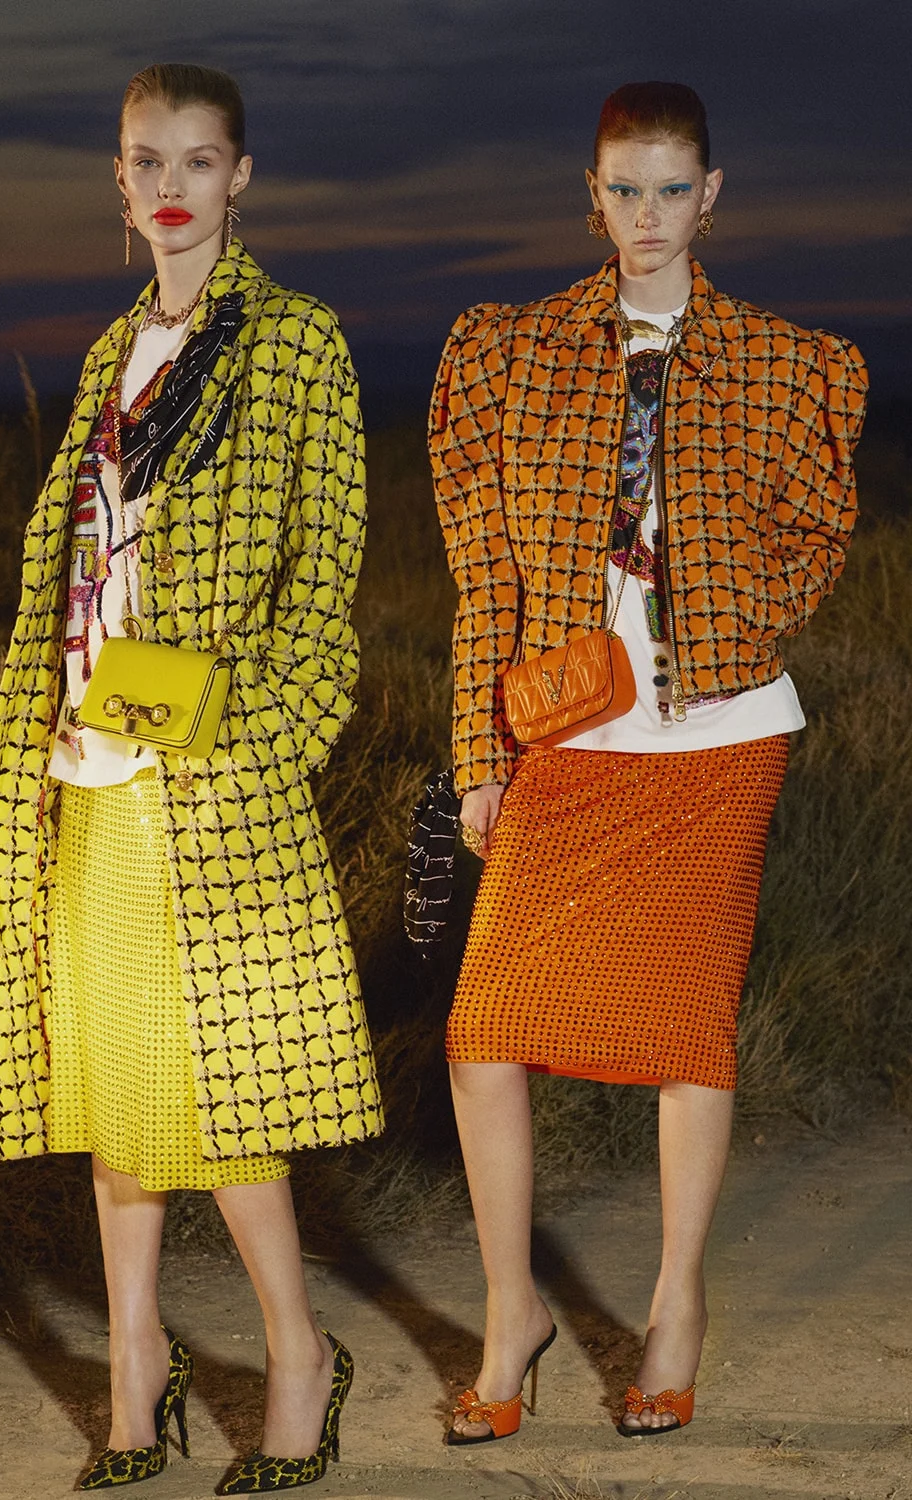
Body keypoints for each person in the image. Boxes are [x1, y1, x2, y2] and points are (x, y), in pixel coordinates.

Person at [429, 80, 867, 1442]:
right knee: (483, 1034)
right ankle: (513, 1309)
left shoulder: (789, 364)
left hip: (720, 739)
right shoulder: (510, 354)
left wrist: (730, 614)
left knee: (686, 1029)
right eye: (625, 188)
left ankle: (676, 1305)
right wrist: (477, 753)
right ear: (593, 192)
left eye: (674, 188)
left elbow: (817, 534)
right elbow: (486, 579)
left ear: (711, 194)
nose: (648, 215)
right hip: (566, 736)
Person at [0, 62, 382, 1493]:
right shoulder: (109, 352)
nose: (170, 186)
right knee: (111, 1088)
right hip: (84, 764)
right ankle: (137, 1363)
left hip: (204, 767)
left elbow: (323, 582)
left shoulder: (295, 339)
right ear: (119, 175)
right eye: (147, 160)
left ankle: (299, 1356)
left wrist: (247, 730)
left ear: (239, 177)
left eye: (198, 161)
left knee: (223, 1090)